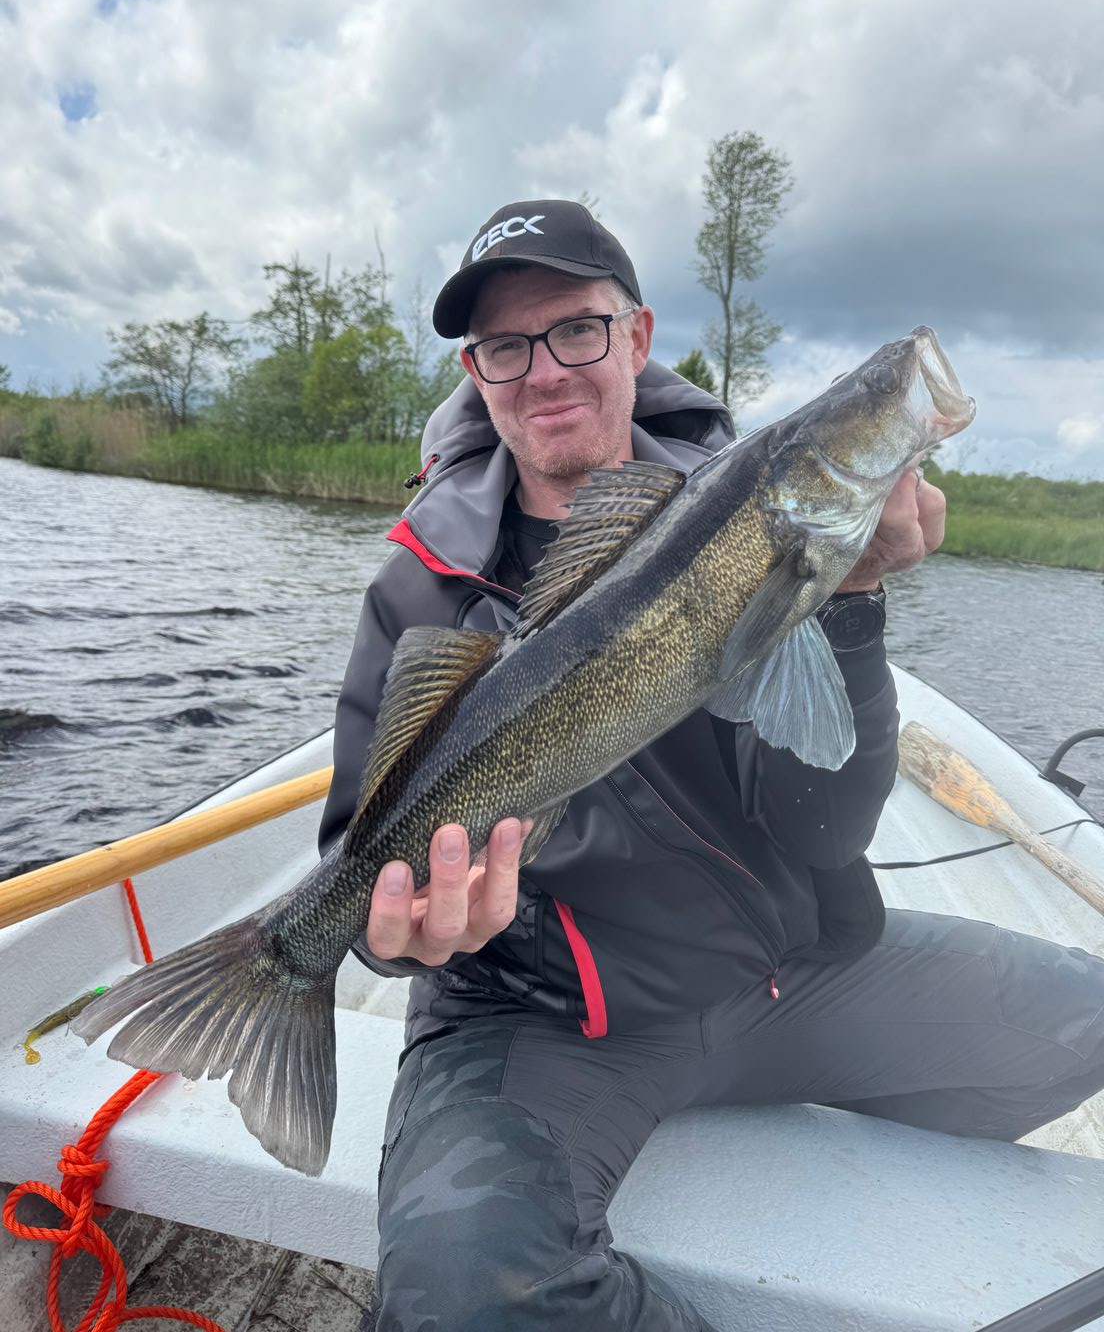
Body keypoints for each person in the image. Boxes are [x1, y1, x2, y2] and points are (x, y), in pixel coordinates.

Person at [318, 200, 1104, 1331]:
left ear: (637, 337)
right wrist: (402, 933)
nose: (545, 370)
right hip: (541, 1020)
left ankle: (833, 1144)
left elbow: (822, 831)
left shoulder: (745, 509)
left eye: (577, 329)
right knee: (463, 1302)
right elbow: (361, 879)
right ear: (474, 373)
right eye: (505, 346)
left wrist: (852, 603)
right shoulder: (417, 590)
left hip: (779, 978)